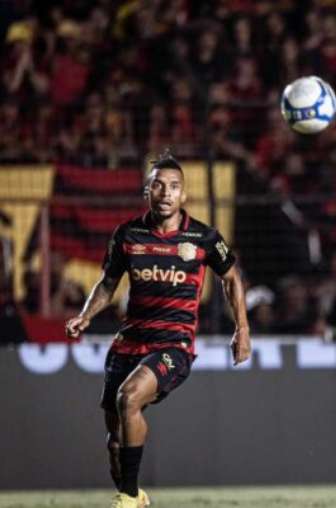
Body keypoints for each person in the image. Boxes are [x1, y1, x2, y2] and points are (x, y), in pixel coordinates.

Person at [65, 152, 251, 508]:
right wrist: (86, 315)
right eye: (159, 185)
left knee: (129, 397)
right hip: (129, 342)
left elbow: (231, 277)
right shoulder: (128, 235)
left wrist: (241, 328)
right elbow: (107, 284)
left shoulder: (204, 238)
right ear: (147, 192)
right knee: (115, 441)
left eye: (174, 187)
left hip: (173, 344)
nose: (166, 192)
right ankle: (135, 495)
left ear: (184, 195)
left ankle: (128, 496)